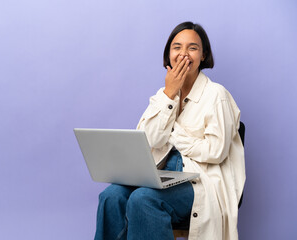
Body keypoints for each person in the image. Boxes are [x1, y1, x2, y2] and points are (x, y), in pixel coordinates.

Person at [94, 21, 246, 240]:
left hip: (198, 182)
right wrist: (169, 95)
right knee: (111, 196)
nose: (183, 54)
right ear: (169, 54)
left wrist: (173, 133)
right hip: (160, 176)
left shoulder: (216, 95)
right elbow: (149, 141)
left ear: (203, 55)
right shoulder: (162, 93)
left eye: (192, 48)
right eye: (177, 47)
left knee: (143, 199)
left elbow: (216, 151)